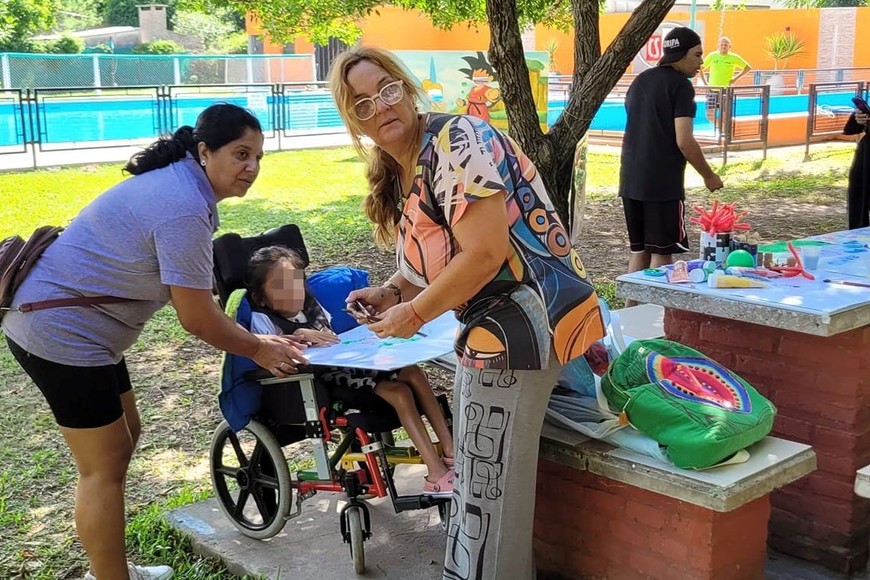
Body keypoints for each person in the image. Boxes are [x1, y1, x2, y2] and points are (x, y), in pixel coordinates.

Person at [328, 46, 605, 580]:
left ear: (406, 86)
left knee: (485, 492)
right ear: (353, 121)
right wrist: (391, 291)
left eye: (386, 89)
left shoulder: (457, 140)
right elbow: (430, 258)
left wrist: (411, 315)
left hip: (520, 326)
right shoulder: (408, 167)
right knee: (484, 481)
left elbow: (484, 253)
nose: (380, 107)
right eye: (362, 104)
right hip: (506, 328)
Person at [1, 104, 308, 580]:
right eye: (241, 153)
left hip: (87, 328)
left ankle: (112, 567)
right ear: (204, 152)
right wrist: (259, 348)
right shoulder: (182, 205)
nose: (251, 167)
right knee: (101, 469)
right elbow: (198, 319)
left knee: (124, 440)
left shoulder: (185, 188)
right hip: (60, 332)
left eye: (258, 157)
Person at [244, 245, 455, 494]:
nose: (293, 291)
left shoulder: (311, 307)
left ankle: (452, 453)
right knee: (399, 393)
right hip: (322, 380)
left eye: (296, 282)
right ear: (261, 298)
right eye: (280, 286)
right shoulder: (262, 320)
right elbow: (272, 355)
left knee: (412, 372)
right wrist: (299, 335)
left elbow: (329, 337)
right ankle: (436, 473)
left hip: (349, 365)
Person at [619, 27, 724, 284]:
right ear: (679, 55)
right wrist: (709, 176)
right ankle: (653, 319)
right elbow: (685, 141)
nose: (701, 62)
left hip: (630, 179)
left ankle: (630, 316)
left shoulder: (641, 81)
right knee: (661, 256)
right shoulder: (681, 87)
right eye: (697, 55)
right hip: (662, 185)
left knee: (640, 251)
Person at [844, 108, 869, 229]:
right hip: (866, 154)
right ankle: (858, 236)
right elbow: (851, 128)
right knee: (859, 193)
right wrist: (860, 117)